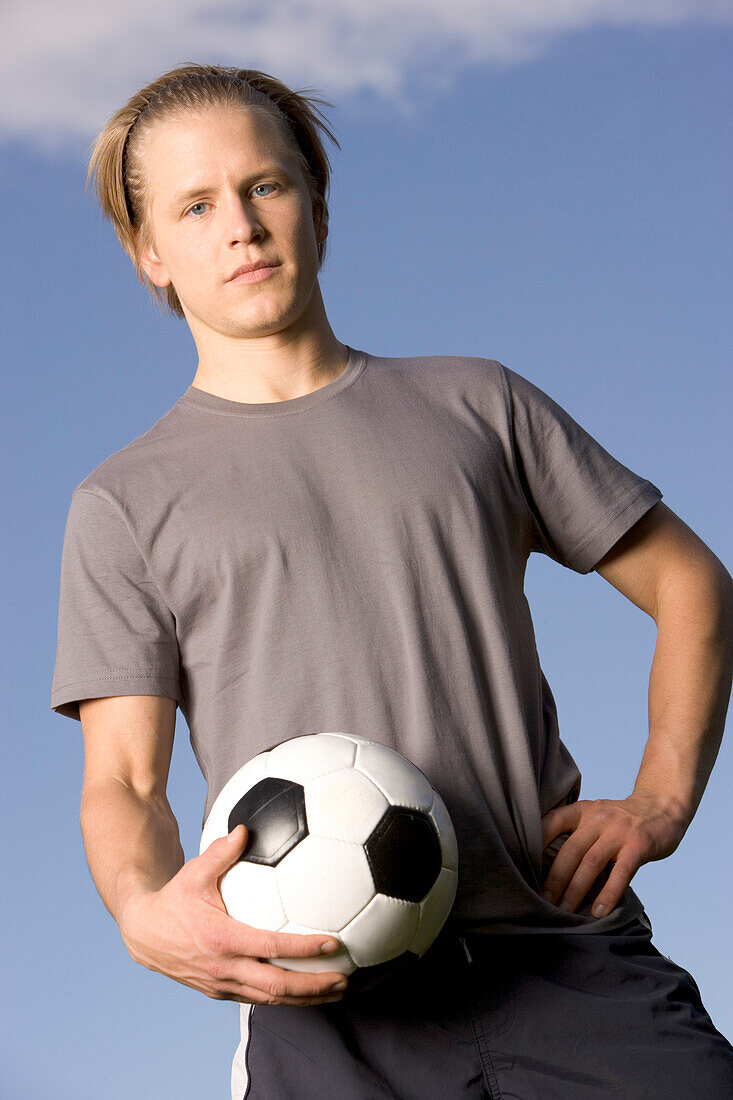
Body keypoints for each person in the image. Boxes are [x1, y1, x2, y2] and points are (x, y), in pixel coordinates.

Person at [50, 63, 733, 1098]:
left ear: (317, 208)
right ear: (150, 252)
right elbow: (125, 782)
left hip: (568, 959)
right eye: (195, 205)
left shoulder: (477, 404)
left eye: (265, 185)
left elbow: (690, 581)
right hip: (323, 1010)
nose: (239, 224)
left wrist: (661, 797)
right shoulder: (123, 503)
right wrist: (144, 910)